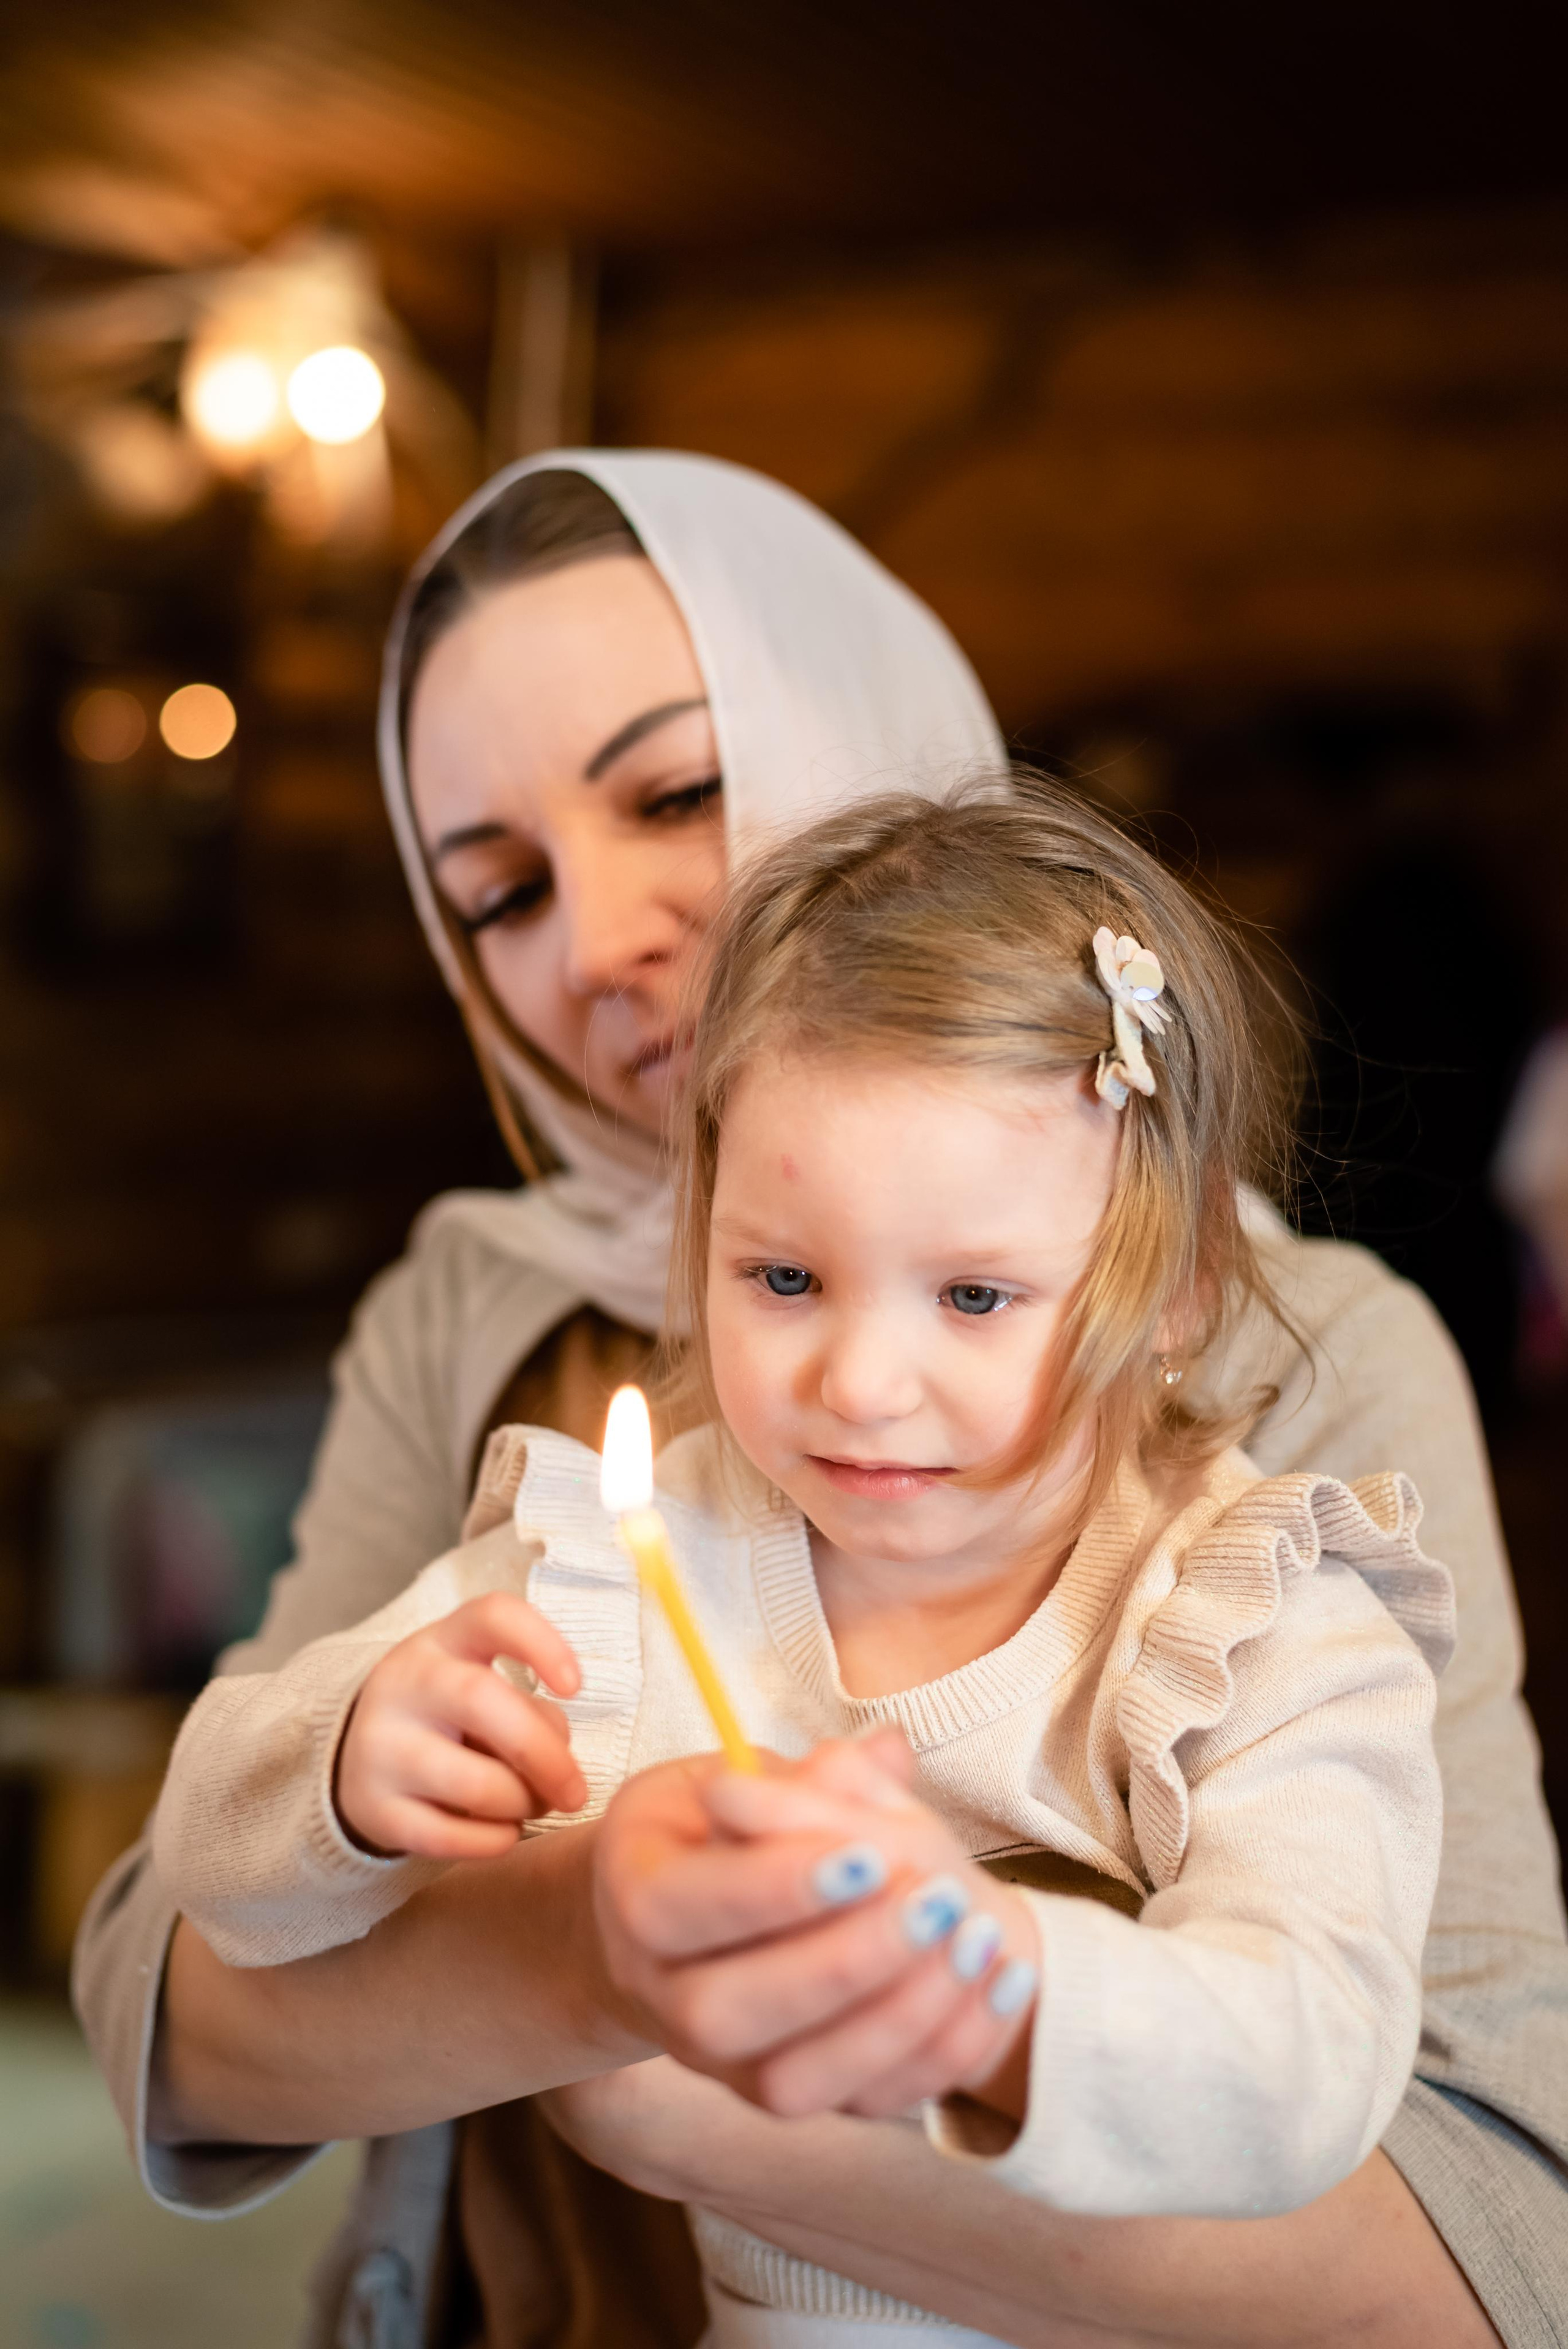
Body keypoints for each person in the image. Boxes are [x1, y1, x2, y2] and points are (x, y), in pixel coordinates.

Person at [72, 453, 1567, 2349]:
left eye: (677, 790)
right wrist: (473, 1850)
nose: (601, 933)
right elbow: (168, 1993)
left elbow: (1480, 2229)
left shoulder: (1271, 1500)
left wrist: (757, 2057)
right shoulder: (533, 1386)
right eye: (504, 887)